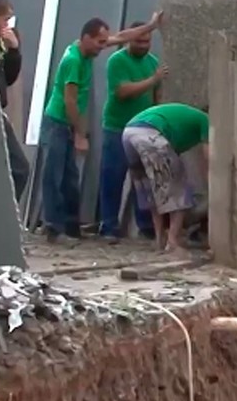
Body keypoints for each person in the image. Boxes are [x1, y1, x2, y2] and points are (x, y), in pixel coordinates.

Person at [41, 13, 162, 244]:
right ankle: (53, 230)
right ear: (86, 38)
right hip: (58, 122)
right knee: (53, 177)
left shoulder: (84, 51)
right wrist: (79, 133)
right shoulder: (74, 60)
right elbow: (69, 101)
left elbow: (121, 37)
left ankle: (70, 227)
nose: (102, 47)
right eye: (99, 42)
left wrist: (151, 25)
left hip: (66, 122)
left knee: (69, 179)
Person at [99, 22, 169, 242]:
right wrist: (153, 80)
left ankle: (146, 225)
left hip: (143, 129)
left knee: (144, 181)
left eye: (147, 41)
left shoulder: (153, 63)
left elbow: (157, 97)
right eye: (139, 41)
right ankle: (109, 226)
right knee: (112, 178)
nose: (143, 45)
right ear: (130, 40)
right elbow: (122, 91)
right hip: (117, 127)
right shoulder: (117, 61)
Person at [122, 103, 209, 254]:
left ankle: (159, 241)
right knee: (179, 187)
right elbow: (209, 157)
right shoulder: (206, 120)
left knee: (154, 192)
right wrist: (211, 184)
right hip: (150, 134)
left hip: (129, 133)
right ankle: (173, 242)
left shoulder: (183, 121)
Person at [0, 0, 30, 203]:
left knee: (19, 169)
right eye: (5, 19)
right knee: (17, 168)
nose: (7, 24)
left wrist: (13, 50)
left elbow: (8, 79)